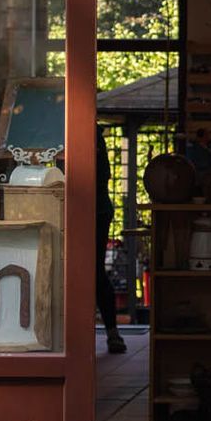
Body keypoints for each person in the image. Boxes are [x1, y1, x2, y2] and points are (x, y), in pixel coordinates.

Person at [95, 124, 127, 354]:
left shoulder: (90, 134)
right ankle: (112, 332)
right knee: (94, 272)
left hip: (96, 210)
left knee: (94, 271)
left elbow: (101, 175)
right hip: (93, 208)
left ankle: (112, 331)